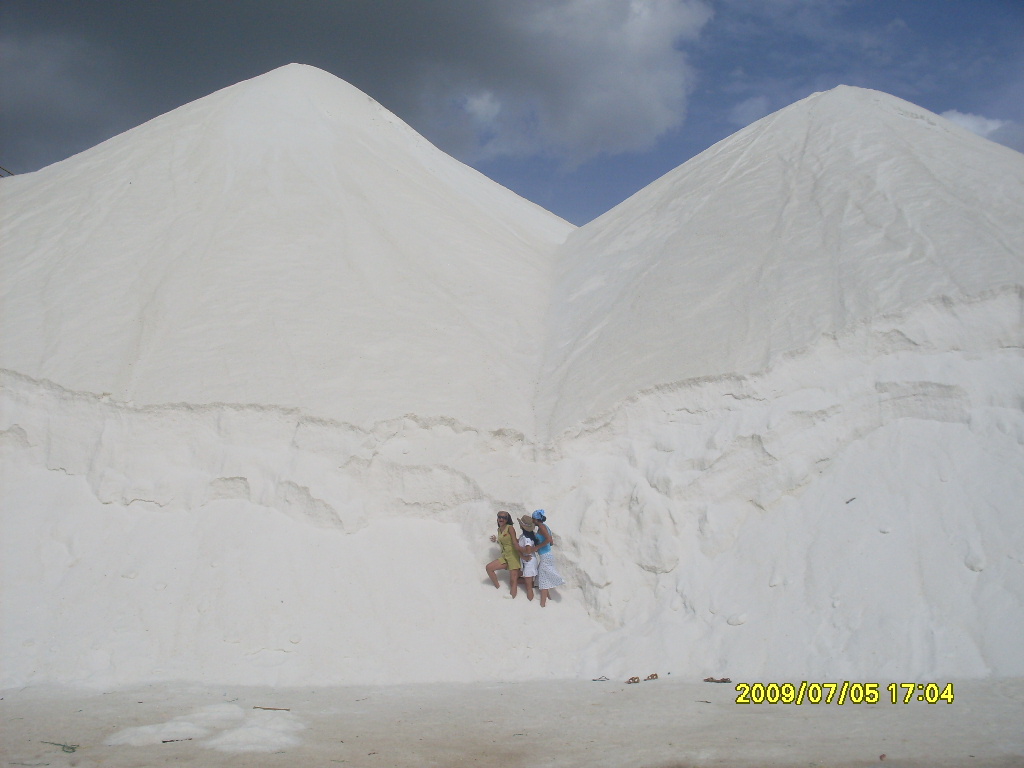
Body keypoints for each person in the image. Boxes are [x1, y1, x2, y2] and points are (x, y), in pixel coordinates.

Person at [486, 511, 523, 598]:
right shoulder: (499, 529)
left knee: (513, 581)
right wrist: (496, 540)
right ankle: (497, 588)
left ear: (507, 519)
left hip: (513, 557)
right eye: (499, 517)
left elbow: (514, 542)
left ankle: (512, 597)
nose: (501, 519)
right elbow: (505, 541)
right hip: (505, 557)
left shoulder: (510, 528)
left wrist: (522, 556)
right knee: (489, 568)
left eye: (504, 517)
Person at [531, 509, 564, 607]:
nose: (532, 521)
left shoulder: (542, 528)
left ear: (537, 520)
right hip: (547, 555)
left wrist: (538, 547)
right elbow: (551, 542)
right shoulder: (545, 527)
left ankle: (543, 603)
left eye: (533, 519)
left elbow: (549, 540)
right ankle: (548, 597)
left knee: (543, 579)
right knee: (543, 575)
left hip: (545, 556)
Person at [516, 515, 541, 601]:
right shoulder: (528, 535)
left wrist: (519, 549)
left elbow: (528, 550)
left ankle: (530, 602)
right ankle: (535, 583)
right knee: (519, 580)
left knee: (529, 588)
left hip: (529, 561)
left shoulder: (526, 538)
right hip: (529, 561)